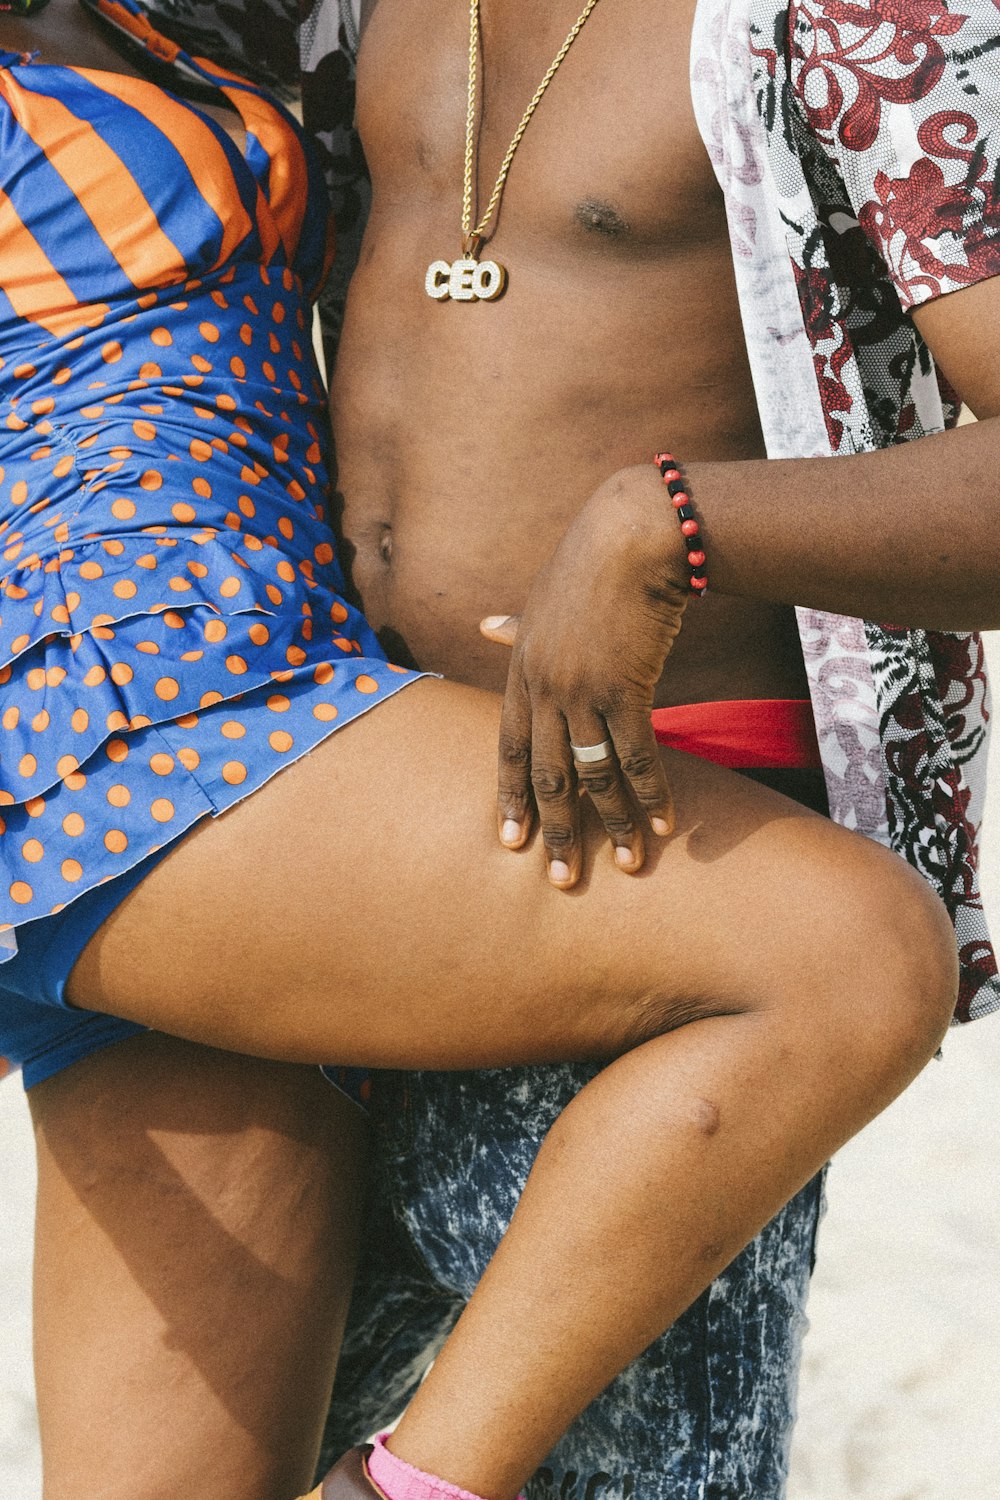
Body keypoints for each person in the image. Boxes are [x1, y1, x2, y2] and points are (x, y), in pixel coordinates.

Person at [0, 4, 961, 1500]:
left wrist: (675, 524)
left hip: (511, 828)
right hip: (200, 781)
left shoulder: (836, 21)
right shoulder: (342, 22)